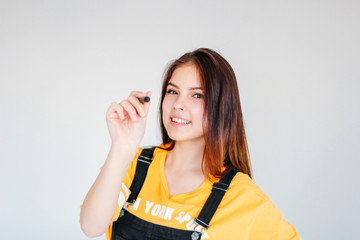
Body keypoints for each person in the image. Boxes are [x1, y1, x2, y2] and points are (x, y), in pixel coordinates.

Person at [80, 48, 301, 239]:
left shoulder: (242, 196)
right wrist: (122, 145)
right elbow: (91, 227)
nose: (178, 104)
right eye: (172, 91)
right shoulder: (134, 164)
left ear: (221, 107)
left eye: (197, 96)